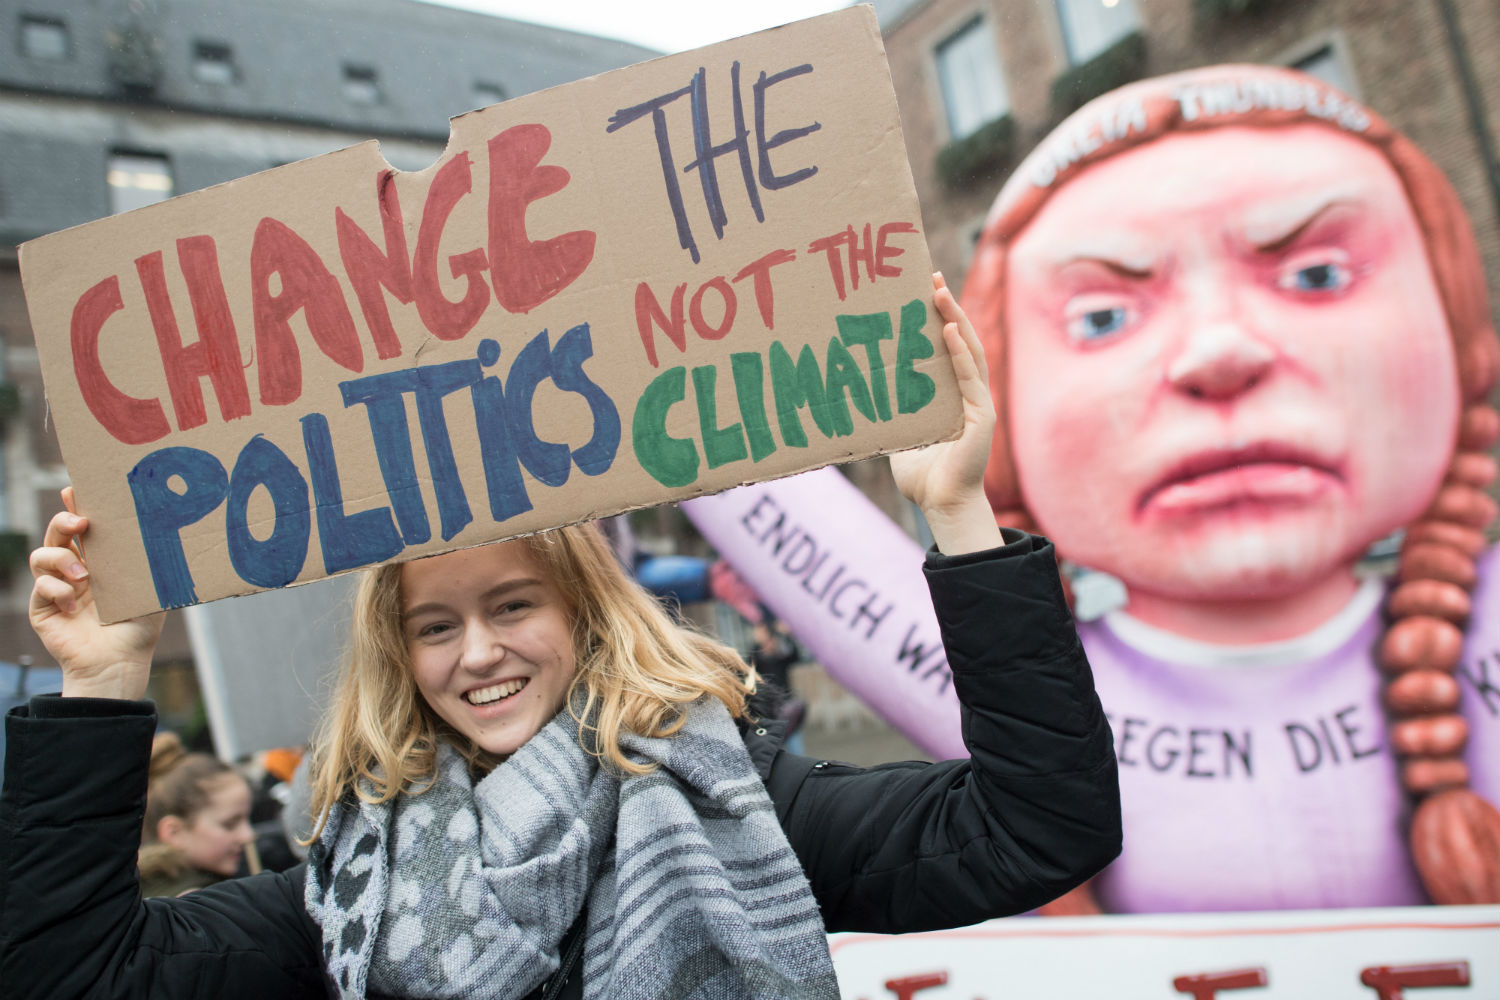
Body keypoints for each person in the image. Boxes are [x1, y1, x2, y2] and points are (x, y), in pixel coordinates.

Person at [0, 276, 1121, 999]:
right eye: (434, 626)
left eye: (514, 605)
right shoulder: (349, 884)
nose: (475, 651)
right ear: (402, 660)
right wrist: (101, 683)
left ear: (584, 613)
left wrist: (961, 519)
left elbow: (1040, 824)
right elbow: (69, 975)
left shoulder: (745, 804)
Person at [961, 65, 1500, 911]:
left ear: (1461, 332)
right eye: (1101, 317)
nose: (1219, 352)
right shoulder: (1018, 692)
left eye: (1318, 273)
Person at [138, 731, 255, 898]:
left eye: (246, 820)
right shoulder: (193, 904)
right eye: (229, 824)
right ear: (174, 832)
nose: (248, 835)